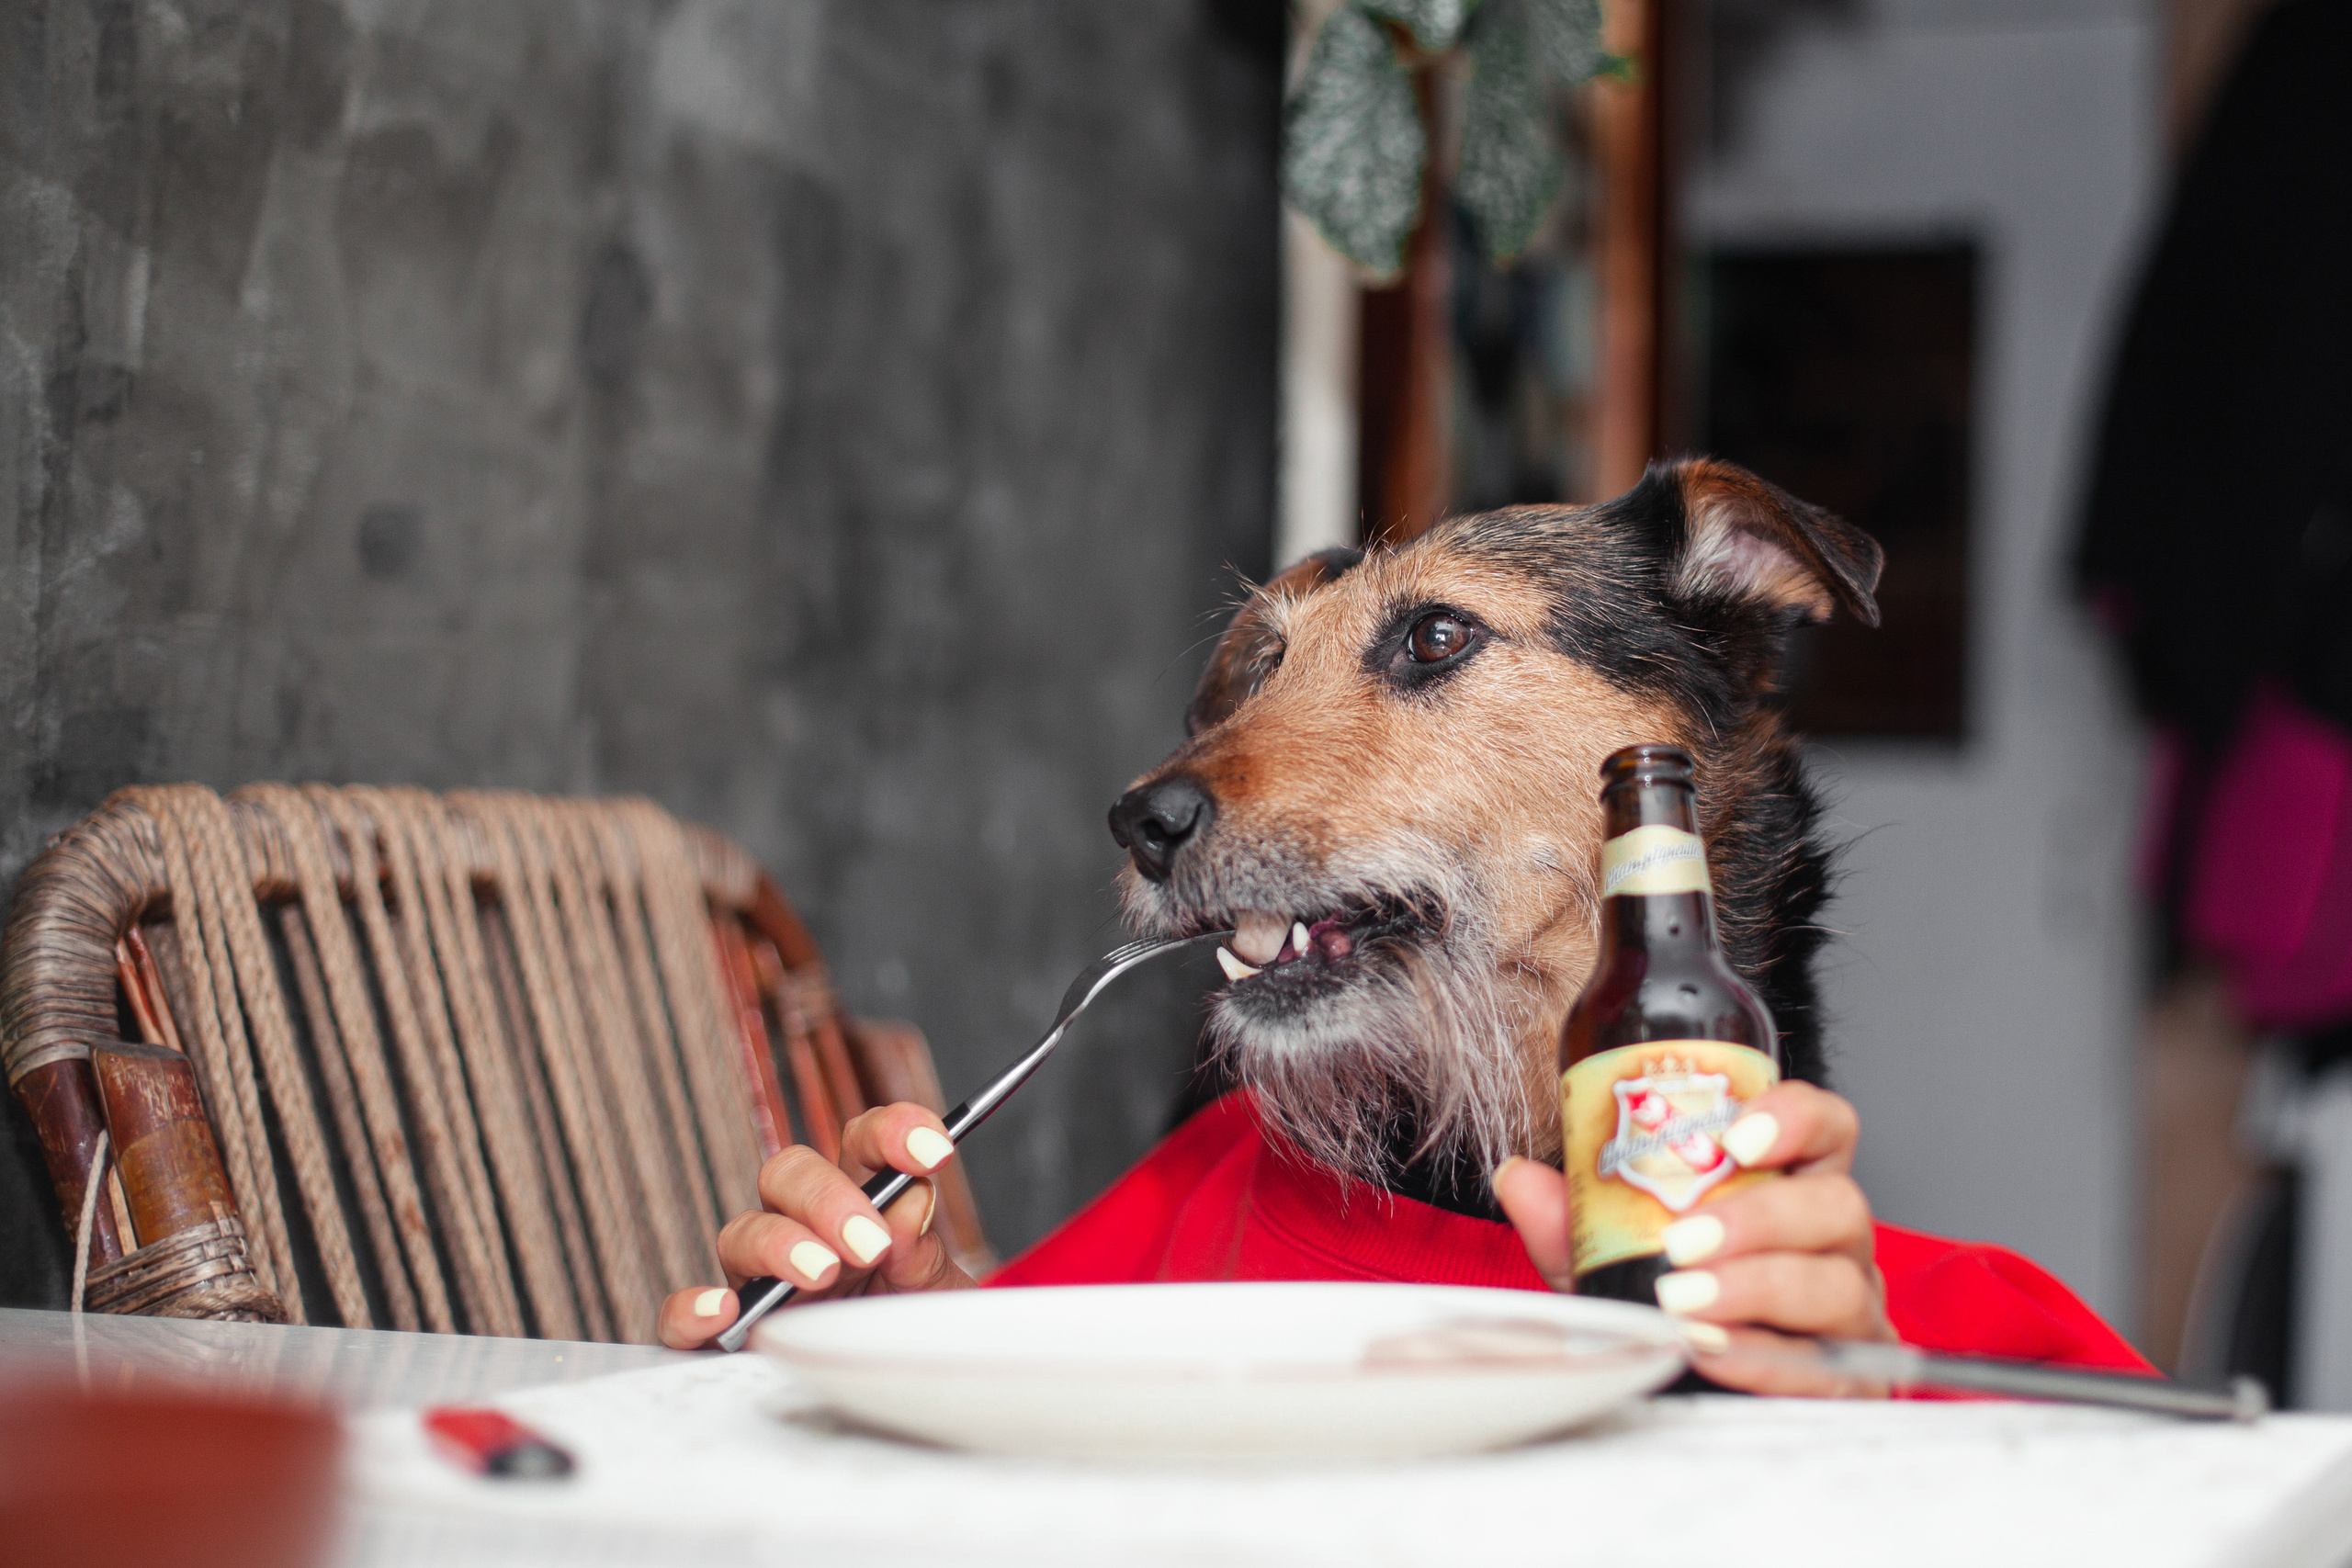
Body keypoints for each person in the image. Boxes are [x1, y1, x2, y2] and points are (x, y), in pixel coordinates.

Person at [656, 1080, 2150, 1393]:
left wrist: (1862, 1441)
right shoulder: (1237, 1173)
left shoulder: (1966, 1333)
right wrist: (871, 1338)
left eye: (1435, 650)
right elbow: (1007, 1396)